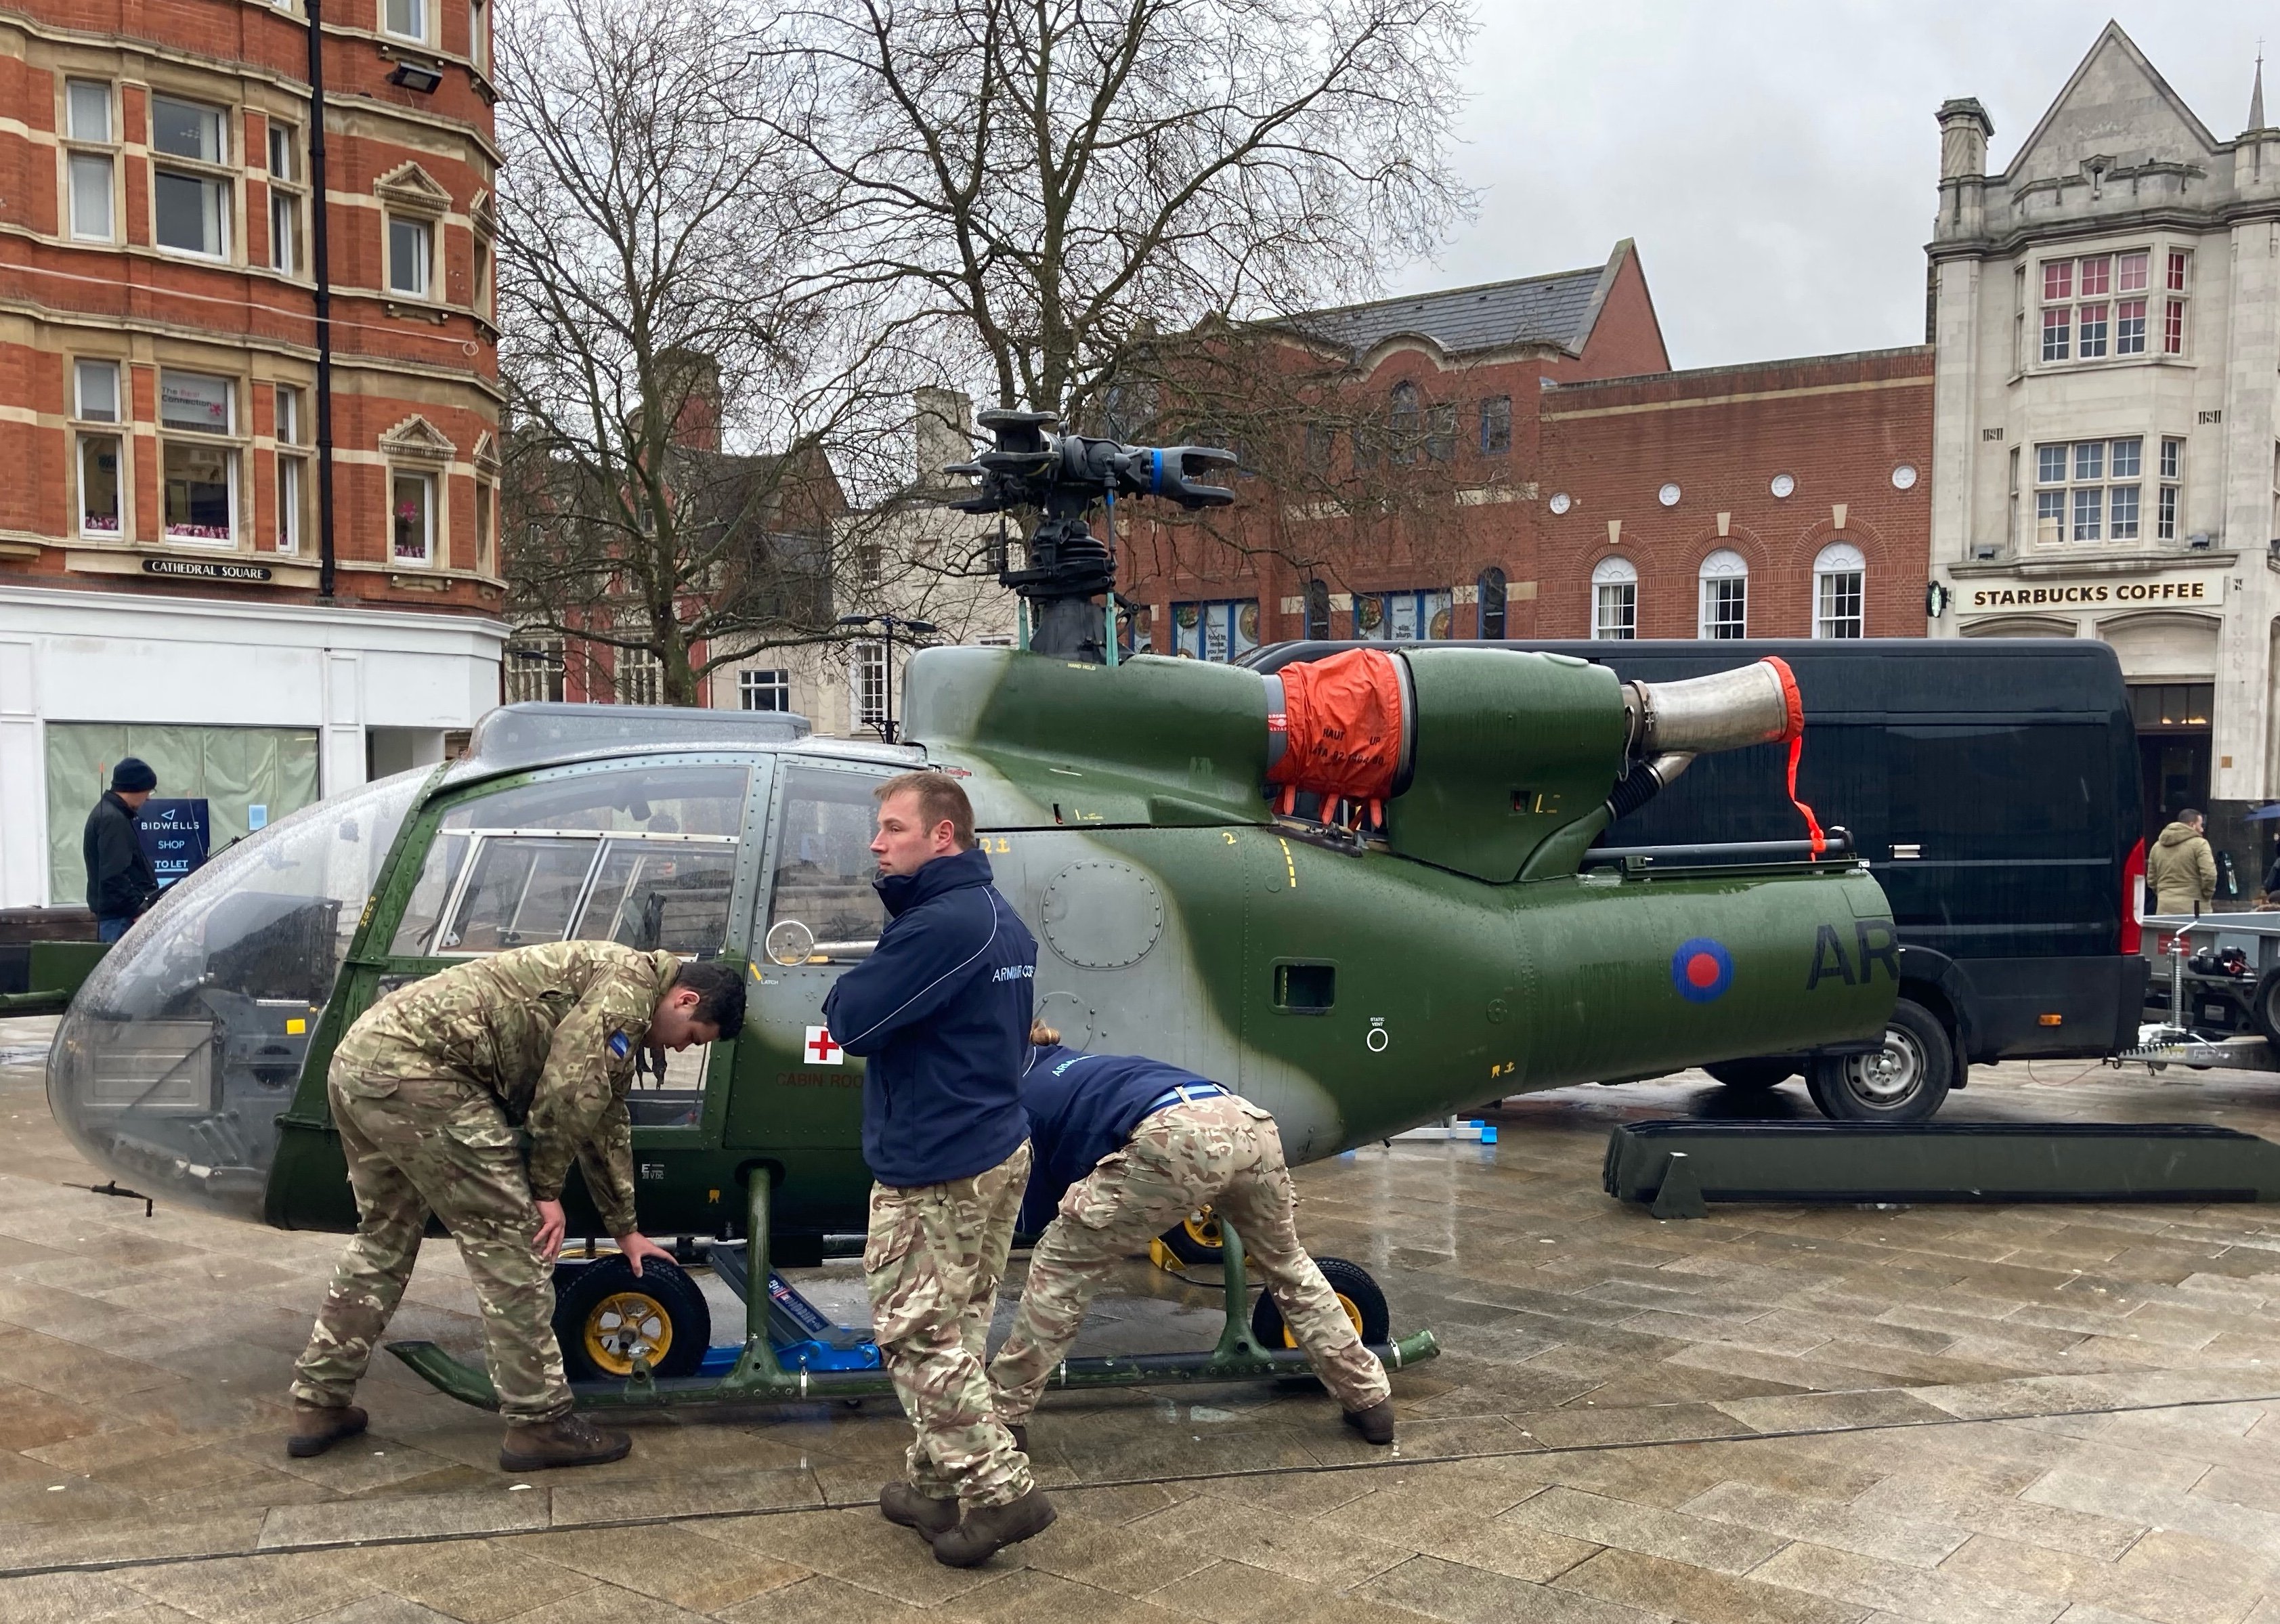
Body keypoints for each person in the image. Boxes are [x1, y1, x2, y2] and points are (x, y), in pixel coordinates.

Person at [287, 940, 744, 1471]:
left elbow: (605, 1116)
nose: (683, 1049)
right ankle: (539, 1424)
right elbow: (567, 1094)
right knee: (514, 1250)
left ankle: (318, 1403)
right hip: (424, 1077)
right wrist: (545, 1191)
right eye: (692, 1037)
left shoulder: (624, 988)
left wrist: (625, 1229)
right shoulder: (628, 992)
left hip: (363, 1063)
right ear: (685, 1000)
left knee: (382, 1241)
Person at [821, 770, 1050, 1568]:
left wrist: (845, 986)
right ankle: (932, 1485)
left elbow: (853, 1019)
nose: (876, 844)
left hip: (937, 1163)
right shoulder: (995, 915)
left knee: (915, 1334)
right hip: (992, 1146)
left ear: (942, 834)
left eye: (893, 828)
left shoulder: (943, 924)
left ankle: (999, 1490)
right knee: (956, 1327)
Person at [987, 1023, 1395, 1450]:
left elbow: (1029, 1215)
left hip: (1175, 1136)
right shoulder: (1073, 1064)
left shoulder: (1018, 1098)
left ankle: (1004, 1416)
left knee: (1061, 1268)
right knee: (1288, 1265)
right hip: (1246, 1122)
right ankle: (1370, 1401)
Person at [83, 757, 160, 943]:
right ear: (135, 788)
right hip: (120, 919)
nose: (148, 798)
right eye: (148, 791)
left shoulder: (110, 814)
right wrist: (136, 911)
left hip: (117, 916)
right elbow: (114, 876)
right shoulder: (113, 820)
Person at [2149, 808, 2218, 916]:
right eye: (2201, 825)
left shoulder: (2157, 847)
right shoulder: (2200, 844)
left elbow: (2152, 879)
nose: (2202, 830)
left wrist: (2164, 894)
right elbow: (2210, 875)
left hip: (2165, 906)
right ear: (2192, 825)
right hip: (2195, 907)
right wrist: (2206, 895)